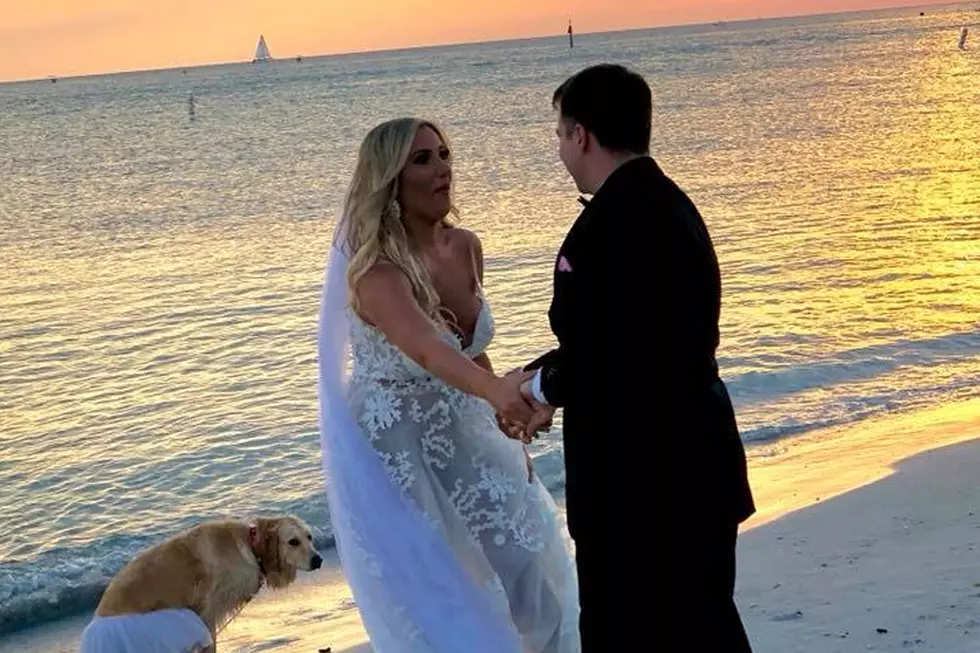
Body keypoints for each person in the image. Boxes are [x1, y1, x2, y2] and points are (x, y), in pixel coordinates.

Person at [316, 117, 580, 653]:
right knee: (445, 582)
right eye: (422, 160)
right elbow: (426, 348)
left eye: (443, 155)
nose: (442, 169)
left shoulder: (465, 246)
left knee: (527, 554)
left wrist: (505, 418)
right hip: (396, 444)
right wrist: (499, 392)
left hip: (467, 418)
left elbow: (467, 349)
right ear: (390, 179)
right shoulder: (375, 272)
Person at [515, 64, 757, 650]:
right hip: (690, 460)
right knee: (702, 625)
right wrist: (535, 375)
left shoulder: (619, 220)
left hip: (647, 476)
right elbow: (630, 332)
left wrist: (543, 388)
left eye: (559, 133)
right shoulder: (665, 203)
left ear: (582, 136)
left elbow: (622, 352)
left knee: (636, 627)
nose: (559, 147)